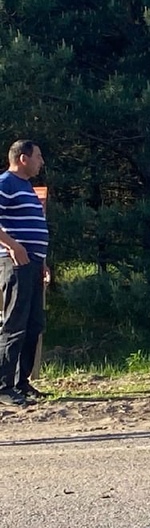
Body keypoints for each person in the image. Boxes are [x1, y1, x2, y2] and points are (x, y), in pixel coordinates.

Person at [0, 141, 49, 406]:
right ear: (22, 158)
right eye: (38, 156)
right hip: (15, 262)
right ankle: (3, 385)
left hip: (33, 263)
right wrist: (13, 246)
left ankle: (21, 381)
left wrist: (41, 260)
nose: (41, 161)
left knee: (34, 323)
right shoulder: (5, 183)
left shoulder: (26, 186)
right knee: (15, 323)